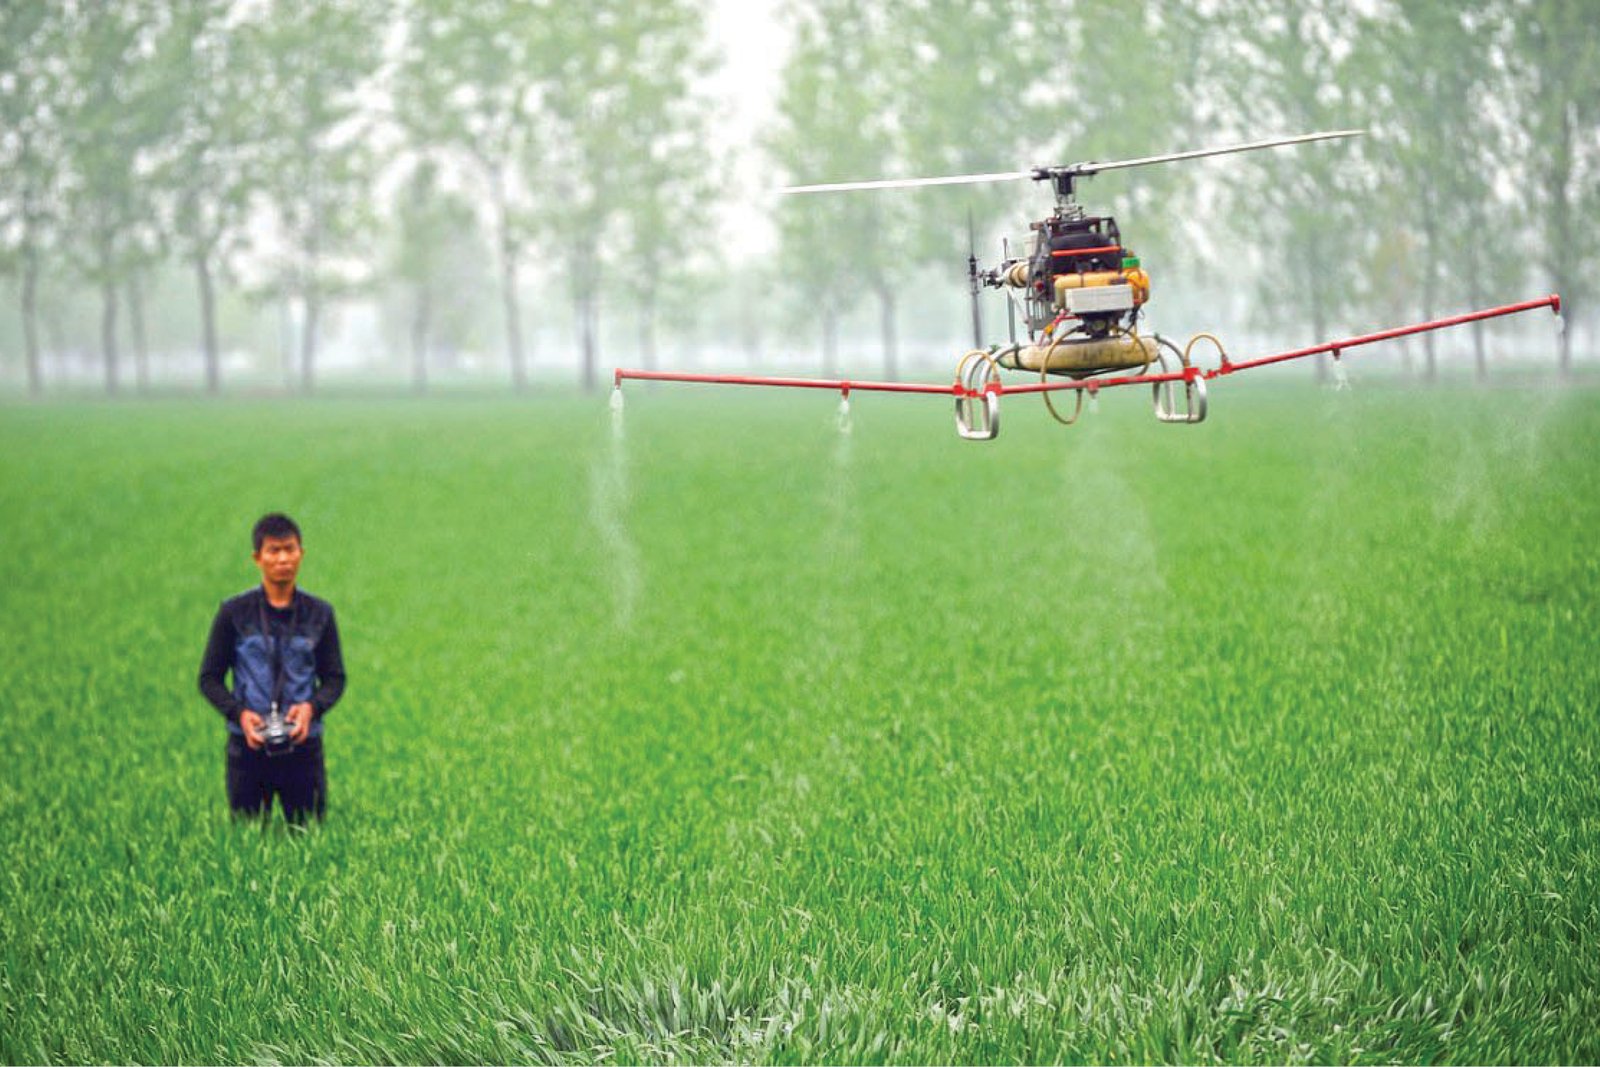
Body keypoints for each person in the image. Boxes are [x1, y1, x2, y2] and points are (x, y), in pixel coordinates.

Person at [198, 513, 346, 824]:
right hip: (248, 749)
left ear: (301, 554)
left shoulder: (319, 614)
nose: (283, 559)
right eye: (273, 551)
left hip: (304, 748)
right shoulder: (234, 613)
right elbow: (209, 678)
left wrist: (311, 708)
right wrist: (239, 714)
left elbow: (335, 678)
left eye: (289, 549)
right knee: (249, 842)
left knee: (310, 841)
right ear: (257, 558)